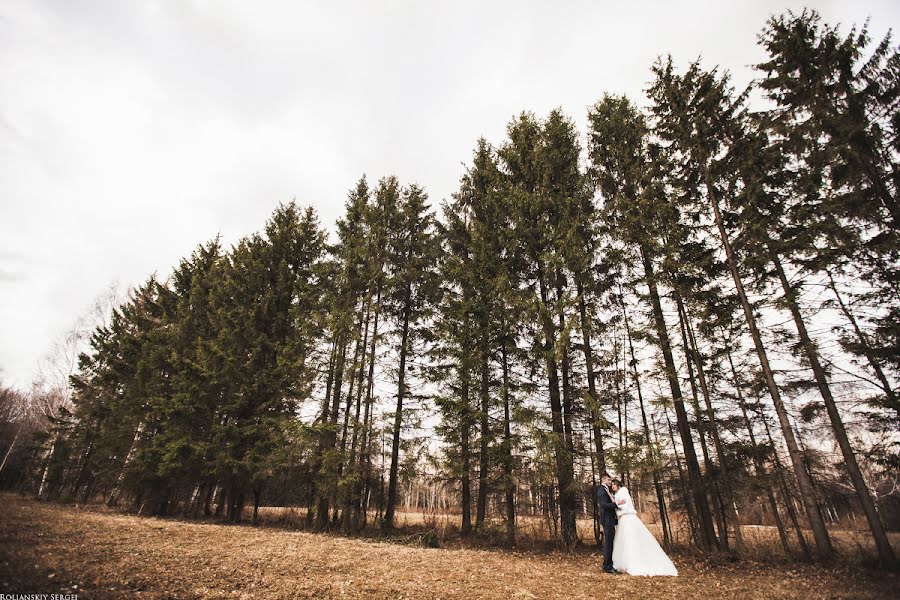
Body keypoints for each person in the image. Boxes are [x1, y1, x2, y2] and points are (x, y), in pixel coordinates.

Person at [610, 479, 678, 576]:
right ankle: (624, 561)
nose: (613, 486)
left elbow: (625, 506)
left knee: (630, 540)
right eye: (612, 485)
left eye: (614, 484)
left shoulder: (623, 492)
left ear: (619, 485)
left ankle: (634, 561)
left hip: (628, 518)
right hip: (623, 519)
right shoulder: (617, 495)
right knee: (624, 541)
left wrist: (616, 505)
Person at [597, 472, 619, 574]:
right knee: (608, 543)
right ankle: (607, 566)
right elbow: (603, 505)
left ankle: (609, 564)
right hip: (607, 520)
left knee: (610, 542)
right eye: (609, 480)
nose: (610, 482)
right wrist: (616, 504)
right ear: (604, 479)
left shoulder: (606, 490)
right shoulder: (602, 490)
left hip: (609, 520)